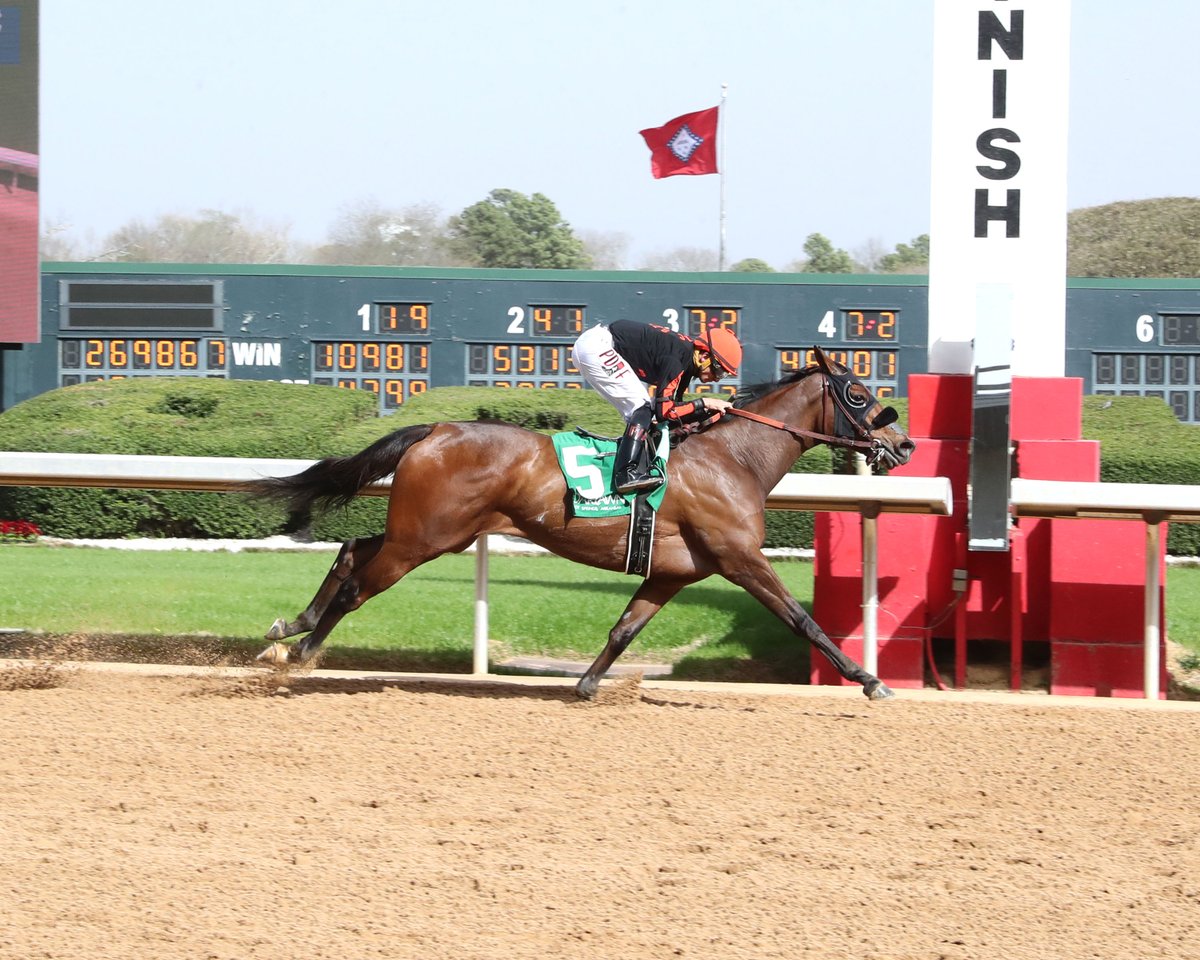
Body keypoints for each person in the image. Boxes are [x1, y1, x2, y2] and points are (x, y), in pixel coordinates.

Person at [571, 319, 743, 493]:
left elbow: (674, 411)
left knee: (645, 410)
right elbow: (664, 412)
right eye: (719, 370)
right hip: (597, 346)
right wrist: (704, 402)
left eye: (724, 375)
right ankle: (625, 474)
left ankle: (634, 466)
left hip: (598, 344)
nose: (718, 378)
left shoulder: (686, 363)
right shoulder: (677, 360)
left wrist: (705, 412)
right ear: (704, 357)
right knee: (642, 407)